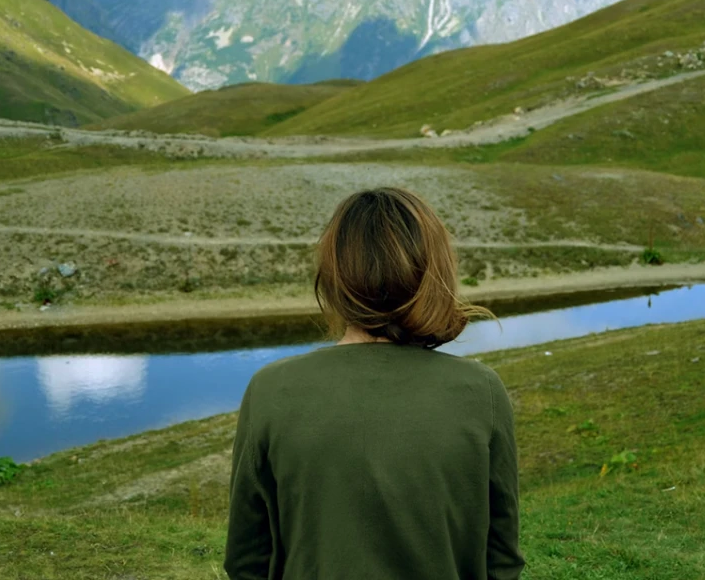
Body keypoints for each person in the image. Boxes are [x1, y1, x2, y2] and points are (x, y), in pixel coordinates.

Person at [225, 188, 525, 580]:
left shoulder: (271, 389)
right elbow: (501, 559)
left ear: (333, 277)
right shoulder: (482, 391)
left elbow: (246, 561)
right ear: (436, 271)